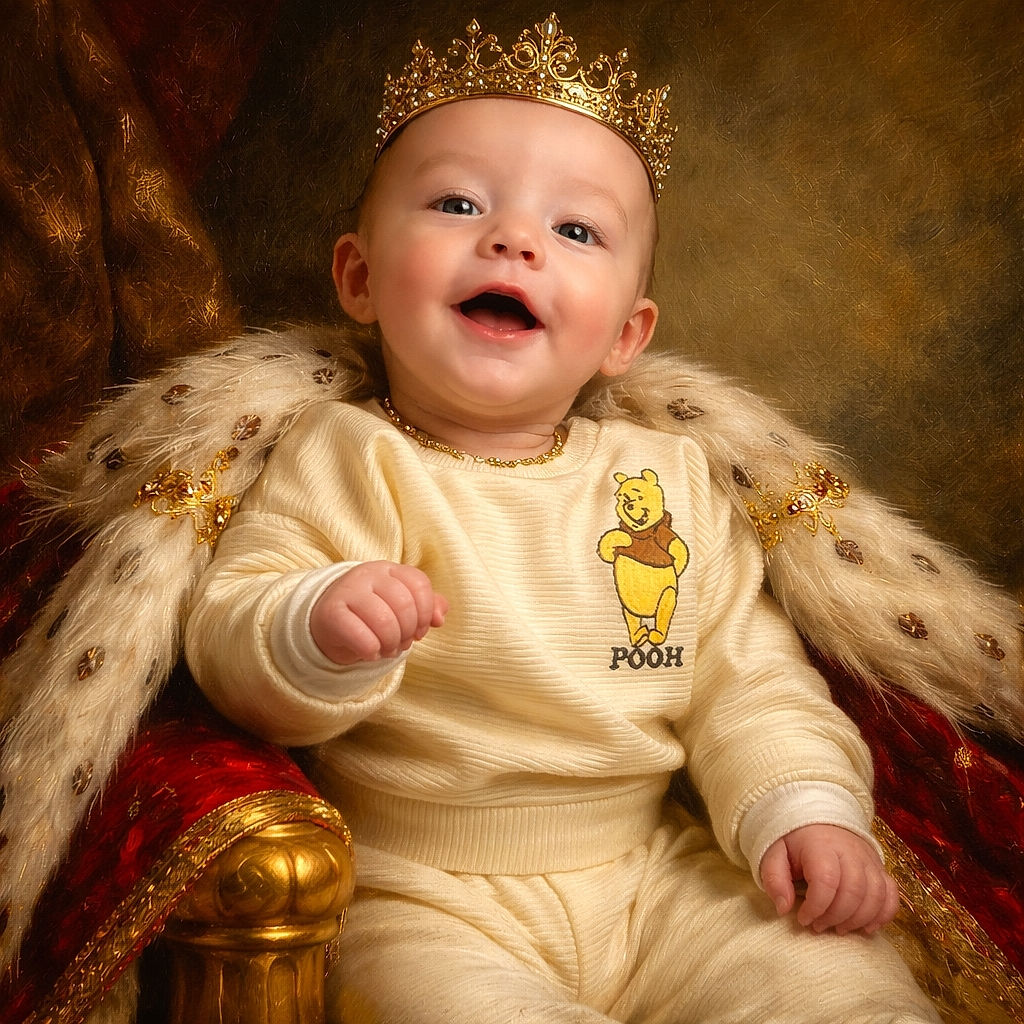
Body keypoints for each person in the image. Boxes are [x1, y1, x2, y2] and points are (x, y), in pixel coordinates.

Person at [184, 14, 940, 1023]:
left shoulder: (667, 476)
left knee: (843, 989)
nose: (513, 239)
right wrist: (313, 625)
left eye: (575, 230)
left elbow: (746, 681)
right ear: (358, 278)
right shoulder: (349, 457)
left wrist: (800, 808)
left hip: (656, 872)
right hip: (422, 898)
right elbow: (228, 628)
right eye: (457, 203)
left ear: (624, 336)